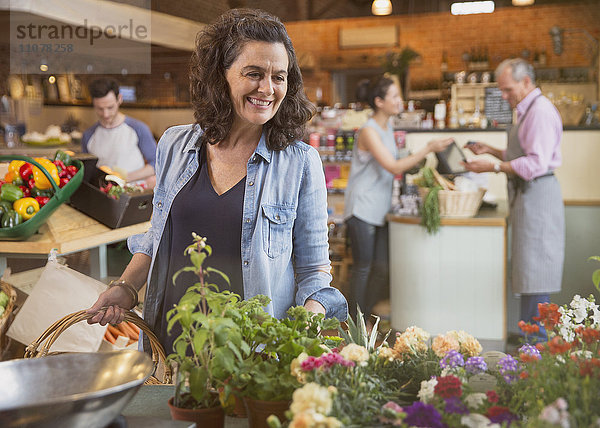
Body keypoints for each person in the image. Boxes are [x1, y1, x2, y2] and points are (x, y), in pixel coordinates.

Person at [86, 9, 348, 353]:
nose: (268, 89)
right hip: (169, 342)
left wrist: (297, 333)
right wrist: (126, 286)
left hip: (249, 353)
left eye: (279, 77)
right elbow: (157, 235)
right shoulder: (176, 145)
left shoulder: (299, 163)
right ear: (220, 76)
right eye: (254, 73)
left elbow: (314, 269)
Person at [463, 58, 564, 342]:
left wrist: (491, 167)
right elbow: (522, 154)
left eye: (507, 90)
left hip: (538, 199)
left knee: (537, 276)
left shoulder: (540, 112)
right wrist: (493, 151)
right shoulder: (527, 110)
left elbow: (534, 164)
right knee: (529, 276)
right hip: (528, 198)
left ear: (526, 82)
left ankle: (537, 351)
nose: (504, 96)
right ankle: (529, 347)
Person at [343, 75, 453, 320]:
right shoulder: (368, 131)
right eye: (394, 96)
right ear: (379, 101)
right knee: (364, 268)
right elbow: (393, 166)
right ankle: (354, 325)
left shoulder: (387, 127)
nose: (400, 100)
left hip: (381, 208)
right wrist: (428, 148)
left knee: (381, 268)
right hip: (361, 208)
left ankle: (367, 317)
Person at [82, 78, 157, 187]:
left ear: (119, 99)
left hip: (133, 192)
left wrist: (123, 178)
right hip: (102, 194)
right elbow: (87, 172)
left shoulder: (138, 128)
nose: (106, 114)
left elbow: (156, 163)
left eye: (110, 107)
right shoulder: (88, 135)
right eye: (100, 109)